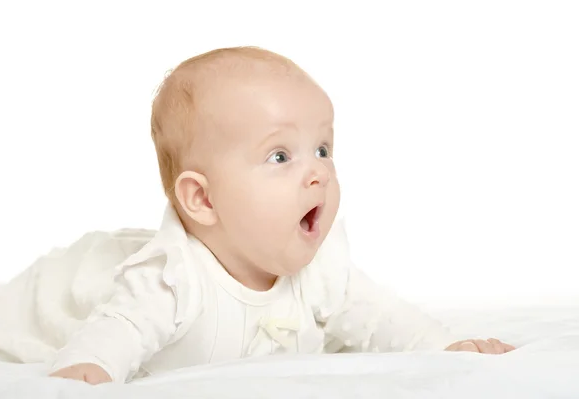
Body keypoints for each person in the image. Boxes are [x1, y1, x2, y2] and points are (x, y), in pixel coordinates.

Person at [49, 46, 515, 384]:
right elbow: (118, 331)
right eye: (279, 156)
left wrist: (446, 348)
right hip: (65, 291)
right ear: (204, 200)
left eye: (322, 148)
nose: (319, 173)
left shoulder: (321, 272)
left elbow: (381, 318)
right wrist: (91, 368)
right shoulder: (172, 281)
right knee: (56, 297)